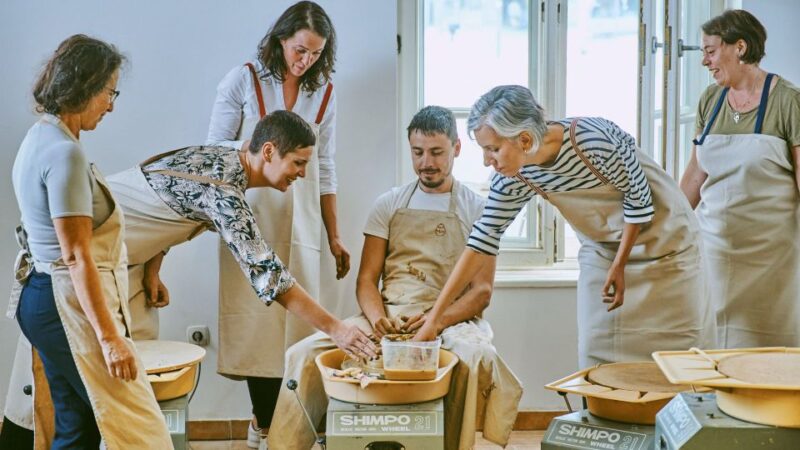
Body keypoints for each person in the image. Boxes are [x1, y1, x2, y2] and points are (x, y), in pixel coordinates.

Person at [2, 111, 378, 449]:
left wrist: (152, 266)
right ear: (267, 151)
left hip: (120, 262)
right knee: (85, 401)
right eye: (298, 163)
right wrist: (336, 329)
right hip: (81, 269)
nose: (302, 173)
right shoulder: (224, 191)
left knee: (93, 405)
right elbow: (269, 274)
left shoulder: (228, 154)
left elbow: (166, 196)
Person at [267, 106, 523, 450]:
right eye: (418, 152)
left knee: (477, 357)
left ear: (457, 148)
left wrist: (434, 322)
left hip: (448, 320)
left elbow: (481, 292)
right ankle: (284, 446)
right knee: (304, 353)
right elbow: (367, 281)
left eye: (436, 152)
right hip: (388, 315)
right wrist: (378, 320)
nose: (426, 162)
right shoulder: (389, 203)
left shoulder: (477, 208)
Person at [415, 85, 716, 368]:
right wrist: (433, 321)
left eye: (492, 149)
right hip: (603, 250)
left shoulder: (595, 140)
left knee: (681, 352)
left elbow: (638, 199)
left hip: (667, 242)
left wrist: (620, 265)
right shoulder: (514, 175)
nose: (486, 161)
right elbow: (481, 240)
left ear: (523, 139)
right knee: (597, 350)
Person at [6, 34, 173, 449]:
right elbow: (77, 254)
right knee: (140, 431)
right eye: (108, 91)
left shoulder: (39, 137)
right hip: (63, 304)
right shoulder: (64, 152)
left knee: (77, 424)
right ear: (83, 85)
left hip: (41, 298)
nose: (111, 104)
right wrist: (111, 340)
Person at [205, 2, 345, 444]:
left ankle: (296, 424)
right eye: (300, 50)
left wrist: (334, 233)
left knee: (299, 323)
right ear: (282, 39)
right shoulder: (242, 80)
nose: (305, 61)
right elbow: (214, 152)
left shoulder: (324, 94)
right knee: (255, 321)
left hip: (299, 215)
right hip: (247, 212)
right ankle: (262, 423)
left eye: (316, 54)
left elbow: (325, 165)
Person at [680, 10, 800, 348]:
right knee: (712, 347)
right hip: (714, 249)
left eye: (711, 50)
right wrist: (669, 225)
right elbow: (694, 175)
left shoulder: (789, 101)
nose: (704, 61)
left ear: (740, 47)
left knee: (766, 352)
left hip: (771, 258)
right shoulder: (711, 101)